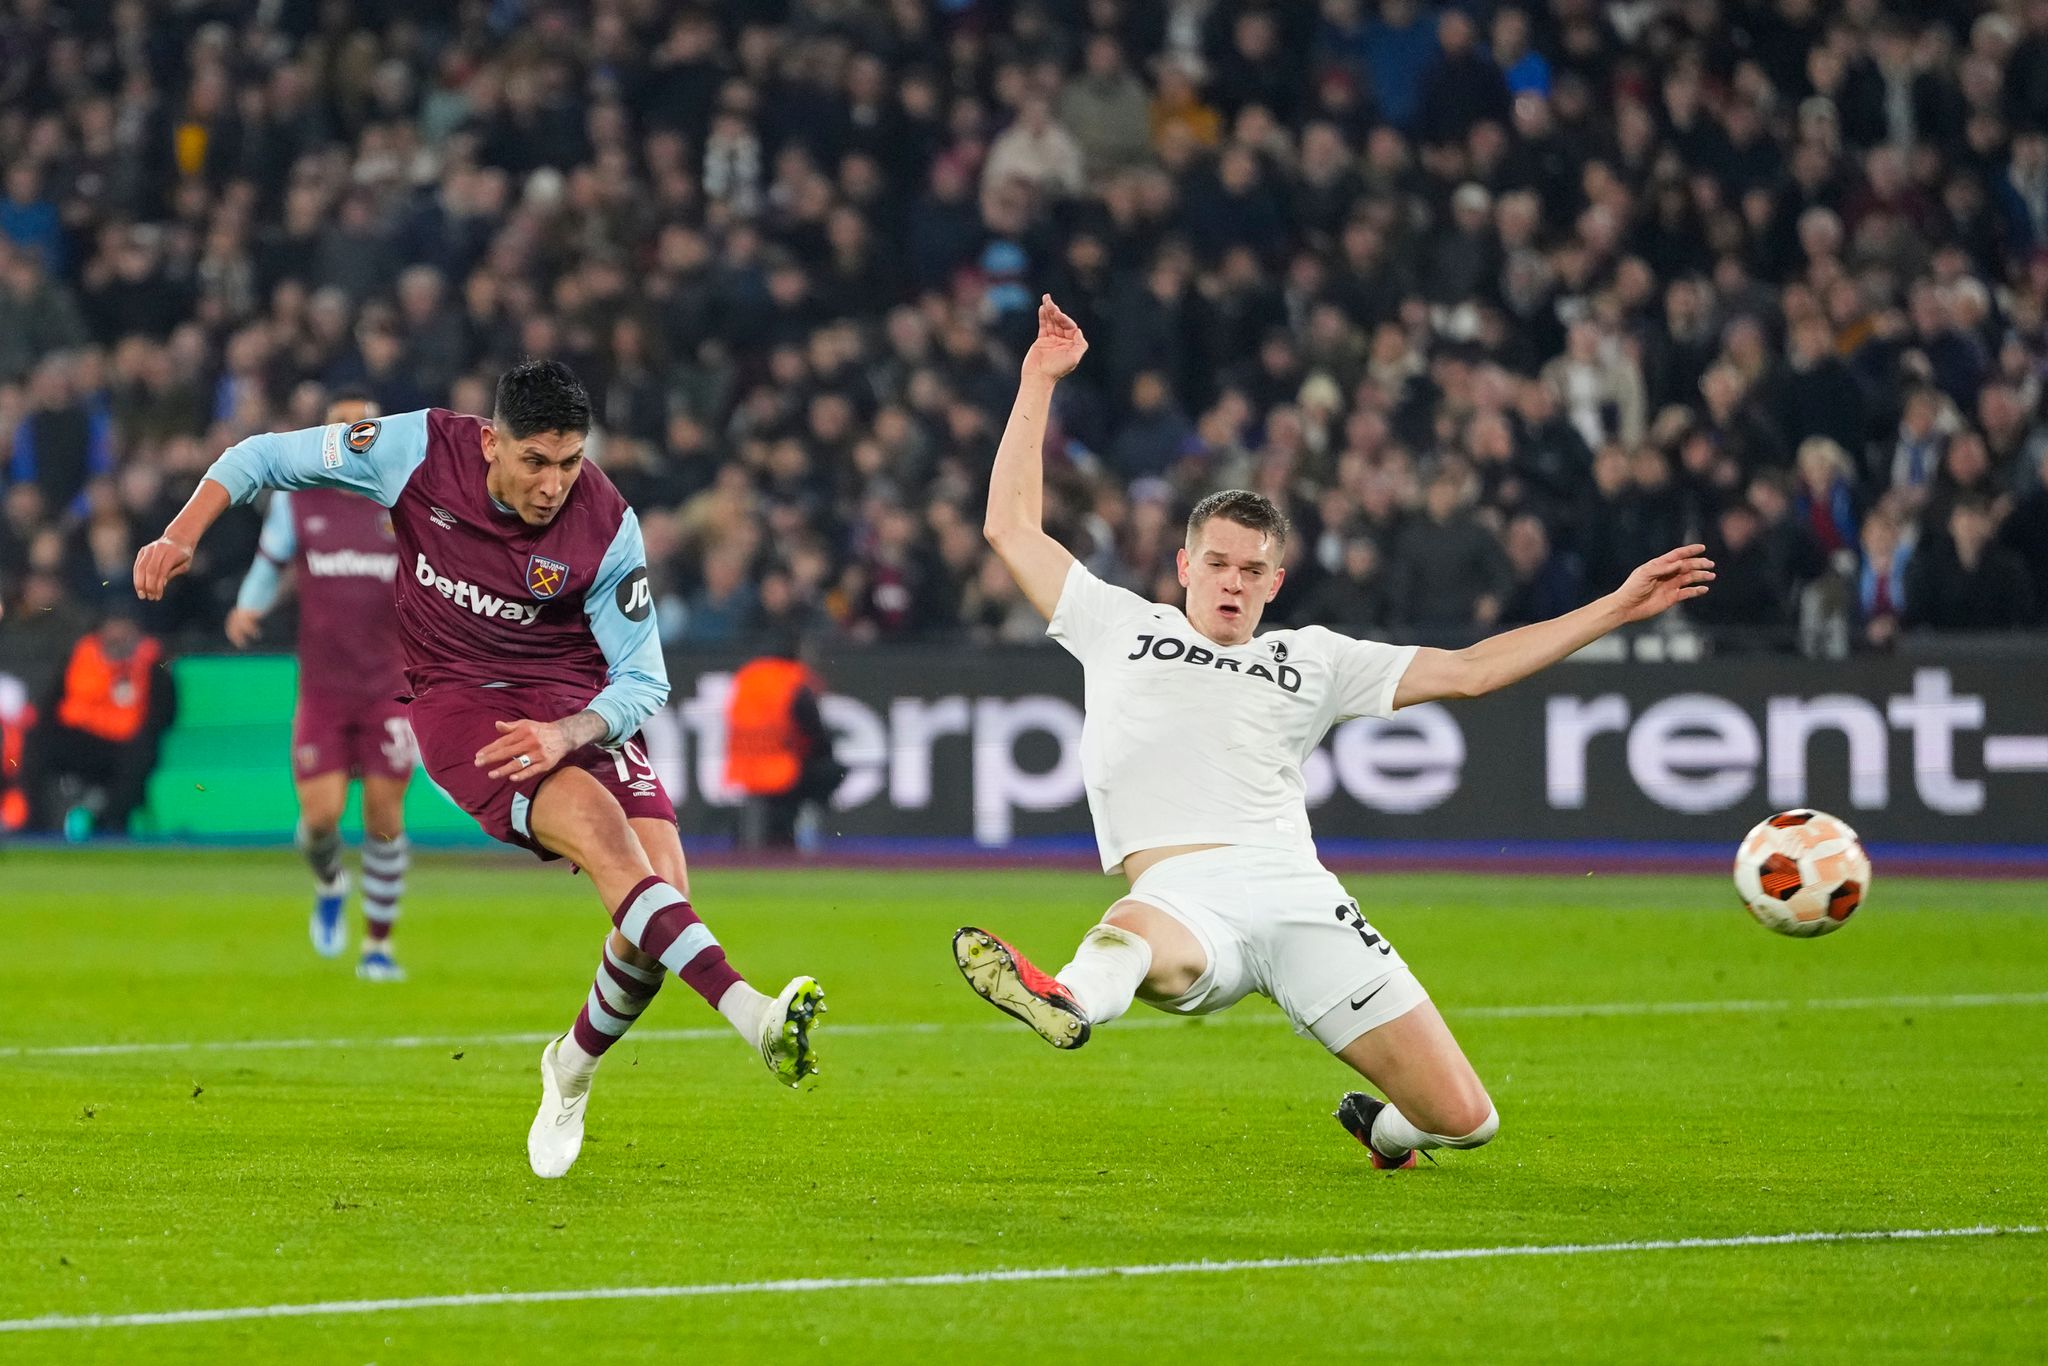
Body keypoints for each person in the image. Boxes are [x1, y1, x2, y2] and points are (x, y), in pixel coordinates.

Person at [953, 298, 1714, 1168]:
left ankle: (1385, 1135)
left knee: (1467, 1120)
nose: (1232, 584)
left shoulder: (1312, 659)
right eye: (1216, 564)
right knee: (1128, 940)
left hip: (1297, 893)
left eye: (1252, 570)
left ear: (1275, 582)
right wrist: (1037, 379)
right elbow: (1009, 525)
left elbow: (1470, 671)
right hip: (1181, 892)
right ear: (1182, 567)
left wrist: (1617, 607)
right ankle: (1067, 999)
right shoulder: (1118, 623)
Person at [134, 361, 824, 1179]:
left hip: (571, 705)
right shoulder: (416, 450)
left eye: (570, 462)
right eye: (535, 461)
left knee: (658, 910)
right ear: (491, 441)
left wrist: (571, 728)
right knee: (611, 847)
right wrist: (182, 533)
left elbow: (645, 680)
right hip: (461, 704)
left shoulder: (606, 523)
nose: (554, 485)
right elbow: (256, 456)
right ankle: (754, 1015)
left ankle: (569, 1067)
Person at [225, 392, 416, 981]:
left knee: (384, 817)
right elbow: (271, 560)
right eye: (343, 427)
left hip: (391, 686)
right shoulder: (298, 499)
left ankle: (378, 947)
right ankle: (331, 882)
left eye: (365, 427)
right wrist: (247, 605)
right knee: (322, 817)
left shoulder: (405, 500)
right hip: (325, 689)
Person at [22, 598, 175, 837]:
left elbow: (162, 714)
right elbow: (52, 703)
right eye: (113, 624)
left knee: (141, 754)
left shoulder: (151, 663)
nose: (119, 632)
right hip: (79, 739)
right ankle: (36, 827)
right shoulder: (80, 654)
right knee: (36, 741)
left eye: (125, 625)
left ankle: (109, 827)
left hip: (122, 746)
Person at [724, 635, 846, 850]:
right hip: (781, 770)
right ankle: (806, 824)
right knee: (832, 771)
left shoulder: (748, 675)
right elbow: (814, 731)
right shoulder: (792, 679)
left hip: (744, 768)